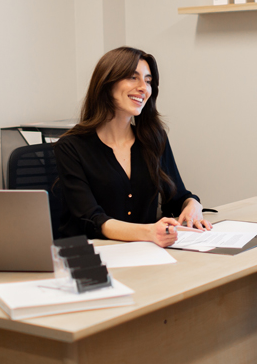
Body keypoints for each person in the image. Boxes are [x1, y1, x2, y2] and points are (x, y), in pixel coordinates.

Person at [53, 46, 211, 248]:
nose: (143, 88)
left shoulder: (154, 139)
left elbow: (177, 198)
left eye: (148, 81)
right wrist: (149, 232)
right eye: (132, 77)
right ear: (106, 83)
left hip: (144, 251)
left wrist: (193, 206)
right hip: (91, 257)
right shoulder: (70, 147)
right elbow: (91, 219)